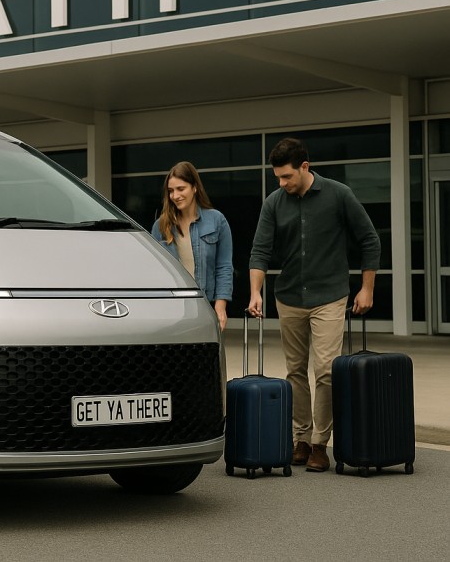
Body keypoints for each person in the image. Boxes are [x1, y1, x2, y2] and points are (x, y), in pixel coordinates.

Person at [247, 138, 380, 473]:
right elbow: (260, 250)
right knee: (295, 371)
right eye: (277, 177)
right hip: (289, 296)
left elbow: (369, 239)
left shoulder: (338, 194)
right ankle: (301, 439)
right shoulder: (274, 203)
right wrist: (255, 293)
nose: (281, 183)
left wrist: (366, 289)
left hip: (330, 296)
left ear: (305, 167)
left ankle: (321, 443)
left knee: (324, 370)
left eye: (286, 176)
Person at [151, 161, 233, 330]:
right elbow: (155, 273)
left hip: (206, 305)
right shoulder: (160, 226)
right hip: (172, 308)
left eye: (181, 189)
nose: (175, 195)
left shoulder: (217, 221)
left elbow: (224, 267)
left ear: (195, 187)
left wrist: (220, 305)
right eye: (171, 191)